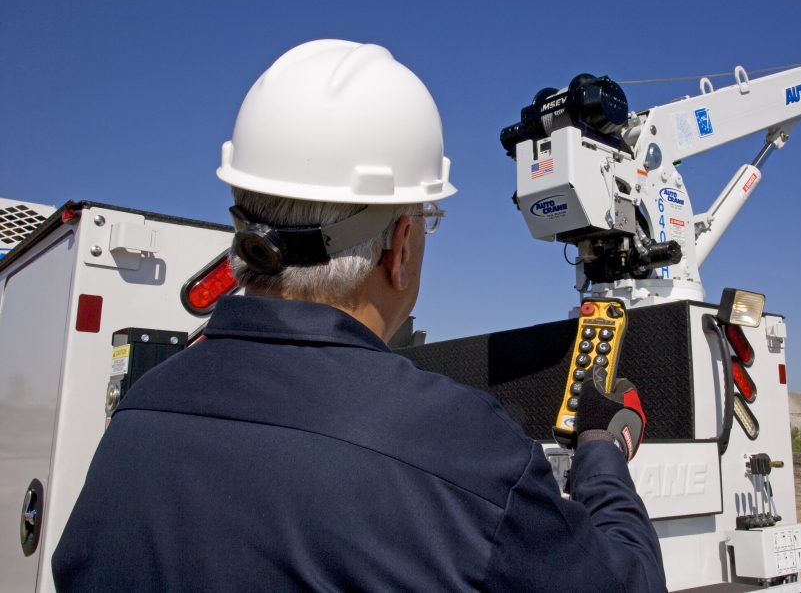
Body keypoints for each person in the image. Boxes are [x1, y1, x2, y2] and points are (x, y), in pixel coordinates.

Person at [52, 40, 665, 591]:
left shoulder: (139, 414)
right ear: (399, 247)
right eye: (428, 221)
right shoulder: (460, 453)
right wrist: (600, 451)